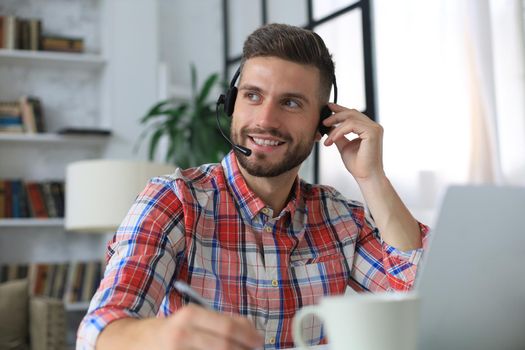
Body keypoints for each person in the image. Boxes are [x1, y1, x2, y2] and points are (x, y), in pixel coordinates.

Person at [77, 23, 429, 350]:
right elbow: (99, 330)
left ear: (324, 122)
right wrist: (159, 335)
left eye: (291, 103)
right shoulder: (174, 201)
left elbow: (421, 301)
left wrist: (372, 178)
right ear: (232, 103)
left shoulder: (339, 218)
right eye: (253, 96)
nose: (265, 120)